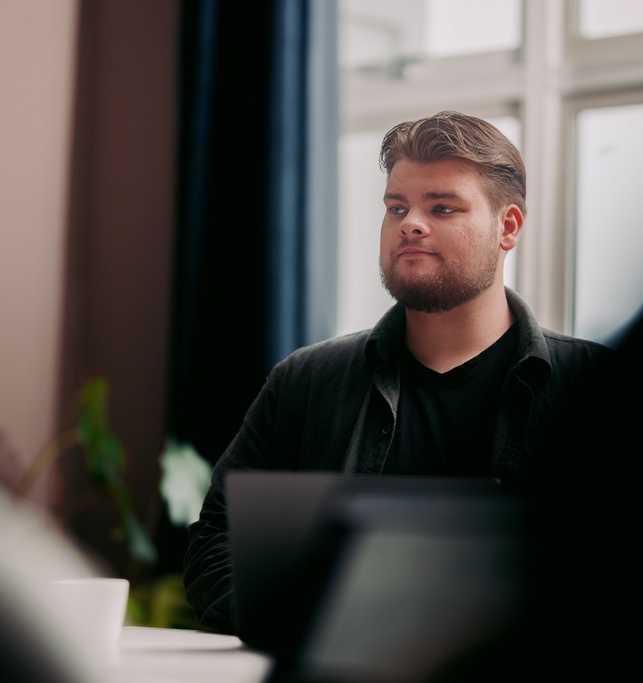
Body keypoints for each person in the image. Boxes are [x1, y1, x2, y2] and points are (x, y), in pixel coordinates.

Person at [182, 110, 613, 636]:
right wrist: (300, 630)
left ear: (508, 227)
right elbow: (217, 538)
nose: (410, 223)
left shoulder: (597, 386)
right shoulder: (305, 380)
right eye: (397, 207)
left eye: (443, 207)